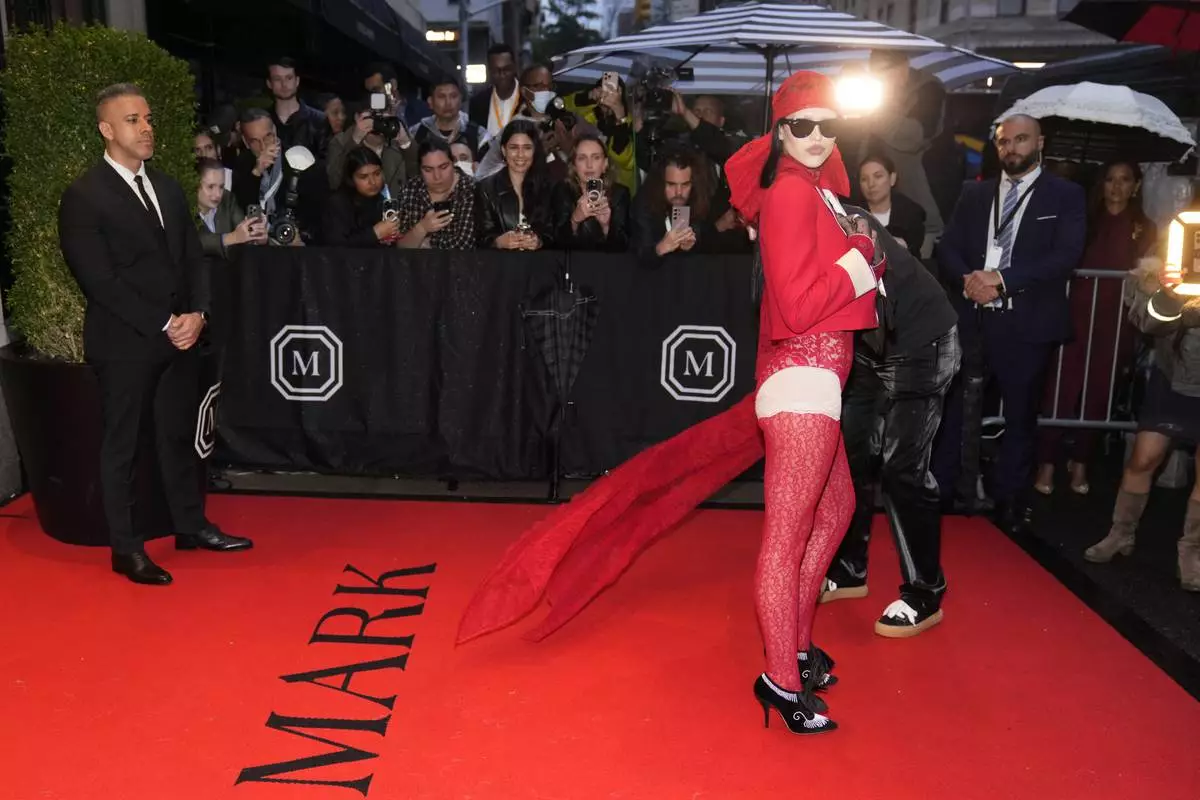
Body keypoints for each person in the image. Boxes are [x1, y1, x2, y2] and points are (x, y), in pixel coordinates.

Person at [459, 72, 885, 738]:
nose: (818, 137)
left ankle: (798, 648)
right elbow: (801, 306)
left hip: (815, 380)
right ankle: (781, 675)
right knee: (790, 537)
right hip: (803, 378)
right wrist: (862, 263)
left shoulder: (817, 196)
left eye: (829, 126)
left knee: (834, 515)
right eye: (803, 125)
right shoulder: (793, 198)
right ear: (780, 133)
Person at [58, 83, 252, 586]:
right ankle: (126, 549)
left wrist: (199, 314)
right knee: (123, 445)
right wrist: (166, 323)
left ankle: (189, 526)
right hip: (125, 342)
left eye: (147, 118)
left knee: (179, 438)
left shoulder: (166, 185)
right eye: (132, 120)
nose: (146, 127)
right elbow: (99, 281)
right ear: (106, 130)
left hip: (181, 337)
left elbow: (193, 258)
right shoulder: (83, 195)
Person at [932, 114, 1086, 534]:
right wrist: (969, 280)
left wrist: (1000, 280)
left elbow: (1065, 255)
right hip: (973, 319)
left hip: (1028, 325)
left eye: (1020, 140)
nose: (1011, 148)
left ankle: (1010, 502)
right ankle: (945, 492)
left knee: (1020, 417)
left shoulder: (1065, 195)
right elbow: (948, 246)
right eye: (1003, 142)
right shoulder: (975, 194)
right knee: (954, 409)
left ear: (1040, 142)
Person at [819, 204, 960, 638]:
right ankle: (848, 571)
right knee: (851, 456)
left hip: (919, 341)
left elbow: (863, 275)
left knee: (903, 468)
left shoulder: (841, 218)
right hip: (867, 342)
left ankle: (924, 592)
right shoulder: (791, 217)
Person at [1034, 159, 1157, 496]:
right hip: (1075, 312)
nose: (1116, 187)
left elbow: (1149, 275)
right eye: (1110, 179)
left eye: (1124, 179)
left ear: (1136, 185)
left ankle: (1081, 461)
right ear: (1100, 184)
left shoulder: (1145, 228)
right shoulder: (1084, 220)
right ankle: (1046, 462)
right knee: (1060, 387)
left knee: (1100, 391)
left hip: (1116, 321)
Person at [1083, 259, 1199, 591]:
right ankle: (1121, 534)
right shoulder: (1178, 242)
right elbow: (1144, 320)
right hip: (1173, 376)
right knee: (1143, 458)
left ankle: (1192, 553)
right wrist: (1170, 294)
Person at [476, 119, 554, 251]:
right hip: (499, 267)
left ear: (535, 151)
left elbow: (555, 235)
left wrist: (539, 242)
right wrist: (498, 242)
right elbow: (480, 238)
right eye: (513, 148)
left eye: (527, 148)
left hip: (539, 266)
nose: (520, 155)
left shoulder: (549, 187)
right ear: (504, 150)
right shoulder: (485, 188)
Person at [551, 133, 630, 251]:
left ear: (605, 164)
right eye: (582, 158)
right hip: (573, 264)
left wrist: (606, 227)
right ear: (574, 165)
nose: (589, 165)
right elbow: (555, 244)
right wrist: (574, 220)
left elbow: (625, 247)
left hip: (607, 266)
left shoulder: (619, 194)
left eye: (596, 157)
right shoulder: (562, 191)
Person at [396, 139, 477, 250]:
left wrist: (424, 243)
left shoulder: (471, 189)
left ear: (453, 163)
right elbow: (399, 245)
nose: (437, 176)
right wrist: (422, 228)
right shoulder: (410, 189)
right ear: (420, 169)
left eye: (443, 167)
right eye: (428, 170)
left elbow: (464, 244)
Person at [323, 147, 401, 248]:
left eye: (377, 174)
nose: (372, 182)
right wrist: (375, 234)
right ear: (351, 179)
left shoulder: (382, 201)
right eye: (364, 177)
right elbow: (336, 248)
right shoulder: (337, 204)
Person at [855, 153, 926, 259]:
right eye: (864, 179)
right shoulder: (852, 215)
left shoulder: (911, 214)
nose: (871, 184)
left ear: (892, 178)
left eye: (878, 176)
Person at [195, 158, 267, 259]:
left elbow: (242, 227)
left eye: (221, 187)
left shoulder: (227, 199)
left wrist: (256, 237)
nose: (218, 194)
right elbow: (196, 242)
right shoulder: (183, 207)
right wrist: (233, 237)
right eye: (211, 187)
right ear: (195, 185)